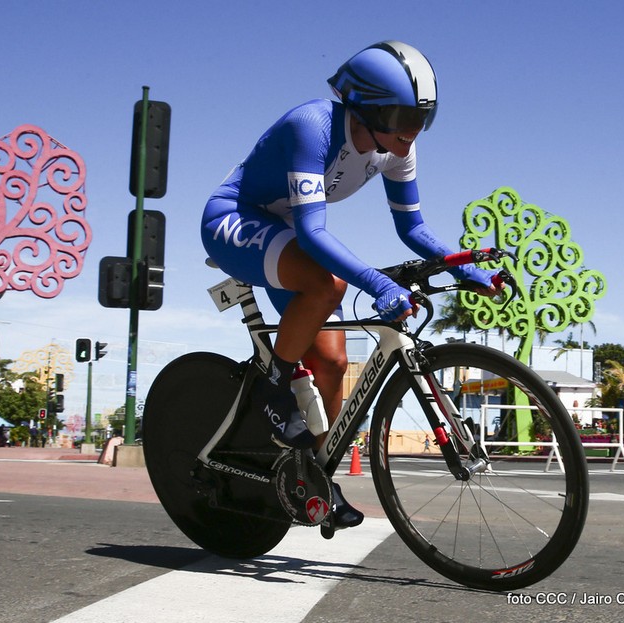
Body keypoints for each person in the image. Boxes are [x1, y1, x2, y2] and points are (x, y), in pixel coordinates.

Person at [201, 40, 501, 532]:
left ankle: (312, 480)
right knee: (329, 286)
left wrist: (467, 271)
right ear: (364, 107)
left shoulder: (396, 150)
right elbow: (314, 234)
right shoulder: (313, 126)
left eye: (422, 118)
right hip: (234, 218)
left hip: (286, 233)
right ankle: (271, 394)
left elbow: (414, 229)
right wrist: (379, 284)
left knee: (334, 363)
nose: (412, 132)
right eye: (403, 117)